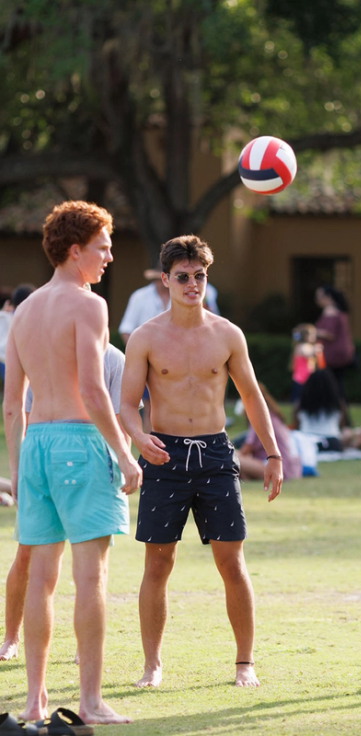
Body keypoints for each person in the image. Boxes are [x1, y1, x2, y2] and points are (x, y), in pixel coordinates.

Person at [119, 234, 283, 689]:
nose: (193, 284)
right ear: (166, 282)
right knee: (158, 563)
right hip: (165, 454)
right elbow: (126, 404)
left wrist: (272, 453)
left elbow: (251, 396)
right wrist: (139, 438)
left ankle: (244, 663)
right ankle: (152, 664)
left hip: (214, 454)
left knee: (232, 562)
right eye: (183, 277)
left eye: (200, 276)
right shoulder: (146, 337)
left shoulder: (227, 333)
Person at [2, 200, 142, 725]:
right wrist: (125, 455)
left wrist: (17, 468)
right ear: (75, 249)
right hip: (78, 444)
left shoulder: (24, 310)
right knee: (91, 577)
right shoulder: (89, 304)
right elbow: (91, 387)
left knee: (40, 577)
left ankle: (35, 699)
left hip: (35, 447)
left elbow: (12, 405)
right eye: (103, 247)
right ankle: (88, 701)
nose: (108, 257)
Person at [119, 268, 219, 343]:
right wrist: (139, 353)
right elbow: (126, 329)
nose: (163, 283)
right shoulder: (139, 296)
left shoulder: (196, 291)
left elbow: (212, 323)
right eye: (160, 279)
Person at [237, 384, 302, 482]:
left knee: (230, 457)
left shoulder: (259, 417)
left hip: (278, 468)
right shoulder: (272, 416)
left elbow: (246, 449)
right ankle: (244, 476)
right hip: (289, 468)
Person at [314, 285, 355, 398]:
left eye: (319, 296)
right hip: (339, 355)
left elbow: (329, 334)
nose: (317, 300)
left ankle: (338, 410)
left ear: (328, 297)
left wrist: (311, 332)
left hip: (334, 356)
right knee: (337, 384)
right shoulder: (337, 312)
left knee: (333, 385)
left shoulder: (331, 312)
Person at [293, 368, 347, 453]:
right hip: (332, 443)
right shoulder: (339, 404)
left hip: (307, 443)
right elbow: (341, 427)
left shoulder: (300, 404)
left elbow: (296, 427)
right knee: (348, 433)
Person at [289, 323, 323, 403]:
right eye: (312, 335)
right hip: (301, 378)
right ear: (305, 336)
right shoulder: (301, 347)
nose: (314, 337)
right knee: (298, 398)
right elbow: (308, 353)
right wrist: (317, 349)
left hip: (307, 377)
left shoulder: (309, 346)